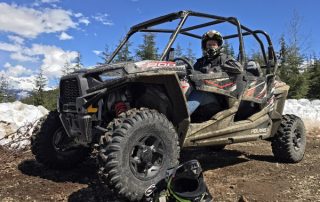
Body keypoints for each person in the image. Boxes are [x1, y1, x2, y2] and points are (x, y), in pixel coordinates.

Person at [187, 30, 245, 119]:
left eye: (214, 44)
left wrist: (218, 69)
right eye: (209, 45)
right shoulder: (200, 62)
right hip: (202, 97)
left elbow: (239, 69)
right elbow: (192, 74)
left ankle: (179, 118)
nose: (211, 47)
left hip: (219, 98)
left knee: (200, 92)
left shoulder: (224, 58)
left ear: (218, 46)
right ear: (205, 46)